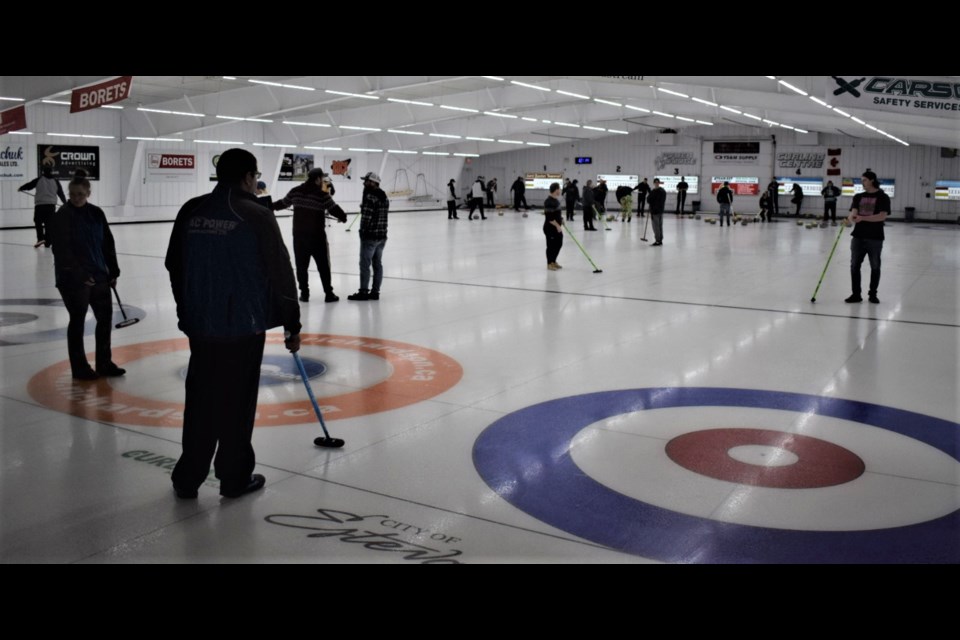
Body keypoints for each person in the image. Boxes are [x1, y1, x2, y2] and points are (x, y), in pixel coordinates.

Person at [165, 148, 301, 500]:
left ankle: (188, 477)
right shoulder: (256, 214)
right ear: (247, 177)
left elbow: (173, 264)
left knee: (200, 399)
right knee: (237, 403)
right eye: (255, 177)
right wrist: (292, 324)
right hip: (242, 327)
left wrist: (187, 308)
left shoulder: (191, 210)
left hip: (201, 326)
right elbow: (282, 274)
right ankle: (233, 476)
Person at [47, 170, 123, 380]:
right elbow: (62, 251)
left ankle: (104, 363)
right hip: (73, 280)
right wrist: (81, 274)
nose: (76, 198)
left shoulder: (97, 213)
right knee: (78, 320)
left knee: (105, 319)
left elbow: (107, 242)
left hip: (99, 275)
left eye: (80, 194)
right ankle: (80, 368)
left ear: (88, 193)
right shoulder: (62, 216)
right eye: (73, 194)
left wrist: (113, 269)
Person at [272, 168, 347, 303]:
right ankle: (329, 294)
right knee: (323, 266)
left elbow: (282, 203)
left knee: (301, 267)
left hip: (299, 237)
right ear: (317, 179)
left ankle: (304, 294)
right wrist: (343, 217)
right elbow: (334, 208)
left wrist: (267, 206)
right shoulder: (321, 195)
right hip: (317, 237)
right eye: (321, 179)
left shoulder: (295, 191)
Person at [844, 170, 889, 305]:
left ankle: (873, 294)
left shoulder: (882, 197)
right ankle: (856, 294)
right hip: (858, 236)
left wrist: (863, 218)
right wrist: (849, 220)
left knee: (875, 266)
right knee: (854, 266)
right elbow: (853, 214)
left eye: (864, 180)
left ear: (872, 180)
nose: (862, 182)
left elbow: (882, 216)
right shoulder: (858, 197)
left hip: (875, 237)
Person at [348, 172, 389, 301]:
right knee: (377, 264)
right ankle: (375, 292)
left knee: (365, 264)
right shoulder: (384, 197)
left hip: (370, 237)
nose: (364, 183)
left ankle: (363, 292)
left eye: (366, 181)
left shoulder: (370, 197)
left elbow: (366, 219)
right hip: (382, 236)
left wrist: (362, 232)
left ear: (372, 182)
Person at [19, 166, 66, 248]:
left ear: (43, 172)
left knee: (38, 222)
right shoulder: (56, 181)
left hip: (40, 205)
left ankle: (40, 238)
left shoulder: (39, 179)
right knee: (49, 224)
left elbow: (29, 185)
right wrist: (65, 203)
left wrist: (21, 188)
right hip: (51, 206)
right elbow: (61, 193)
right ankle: (48, 242)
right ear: (51, 172)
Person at [543, 183, 564, 270]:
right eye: (559, 189)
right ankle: (549, 263)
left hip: (556, 227)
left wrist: (561, 219)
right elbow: (550, 218)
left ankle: (553, 261)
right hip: (550, 228)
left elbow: (557, 213)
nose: (560, 190)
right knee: (551, 246)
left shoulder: (556, 200)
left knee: (558, 244)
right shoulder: (548, 201)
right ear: (556, 190)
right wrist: (557, 226)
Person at [648, 178, 666, 246]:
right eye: (655, 182)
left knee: (656, 227)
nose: (656, 183)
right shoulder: (662, 191)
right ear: (654, 183)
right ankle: (660, 240)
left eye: (657, 182)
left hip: (655, 211)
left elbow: (649, 199)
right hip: (660, 211)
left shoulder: (655, 191)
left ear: (659, 183)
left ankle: (658, 240)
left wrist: (651, 201)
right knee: (659, 226)